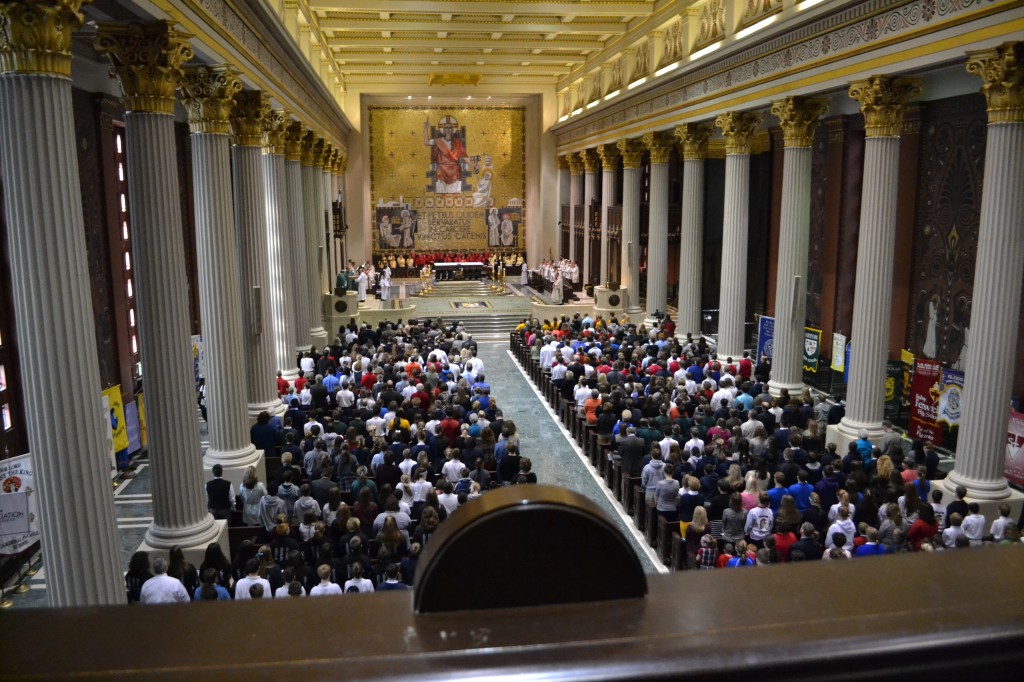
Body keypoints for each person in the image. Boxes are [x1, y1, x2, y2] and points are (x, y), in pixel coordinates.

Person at [424, 114, 468, 193]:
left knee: (457, 169)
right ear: (443, 130)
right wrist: (425, 129)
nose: (448, 130)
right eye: (446, 128)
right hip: (442, 166)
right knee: (440, 170)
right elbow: (427, 142)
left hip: (454, 166)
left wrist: (473, 165)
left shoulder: (457, 142)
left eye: (450, 128)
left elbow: (464, 155)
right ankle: (442, 194)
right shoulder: (438, 141)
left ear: (452, 129)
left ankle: (455, 194)